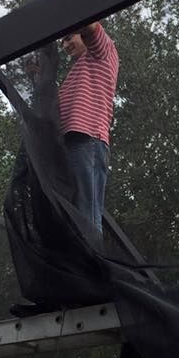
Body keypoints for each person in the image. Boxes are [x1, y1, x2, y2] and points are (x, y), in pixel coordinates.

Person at [57, 21, 119, 240]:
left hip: (88, 140)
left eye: (68, 38)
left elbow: (91, 26)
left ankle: (93, 267)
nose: (64, 46)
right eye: (61, 41)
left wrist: (70, 12)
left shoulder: (103, 53)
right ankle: (74, 263)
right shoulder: (72, 74)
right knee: (70, 213)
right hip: (69, 143)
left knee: (86, 212)